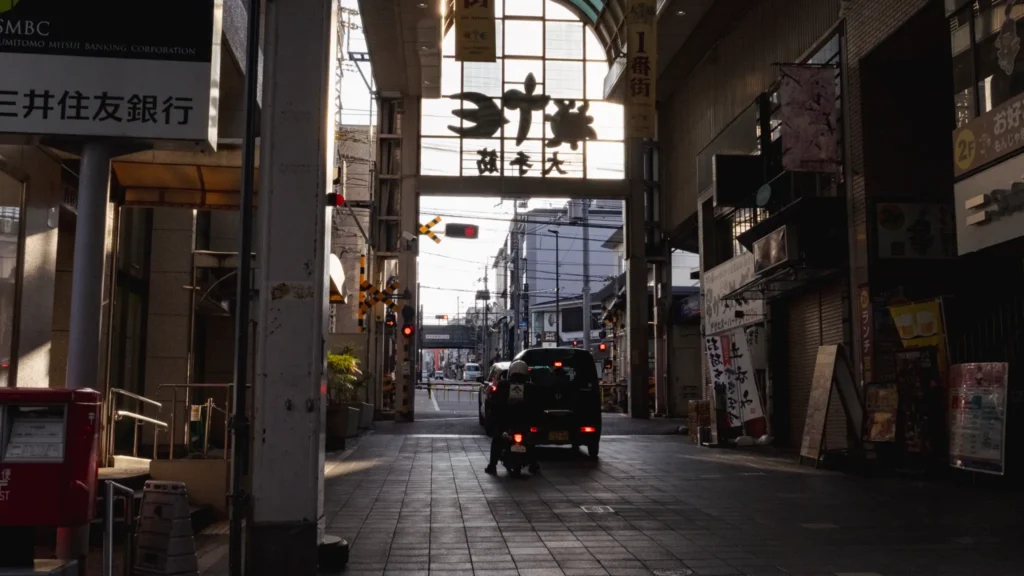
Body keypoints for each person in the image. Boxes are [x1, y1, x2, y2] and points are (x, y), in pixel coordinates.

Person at [485, 360, 540, 475]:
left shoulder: (503, 385)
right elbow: (537, 405)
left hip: (506, 422)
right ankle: (533, 465)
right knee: (531, 442)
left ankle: (492, 465)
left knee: (497, 440)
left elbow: (494, 402)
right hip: (524, 422)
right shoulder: (531, 388)